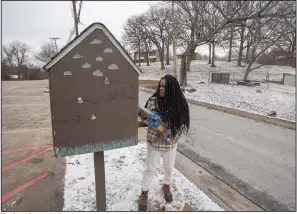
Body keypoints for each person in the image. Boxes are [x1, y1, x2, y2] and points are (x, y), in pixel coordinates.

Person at [138, 74, 190, 211]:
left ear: (172, 89)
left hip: (170, 145)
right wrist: (148, 118)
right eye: (160, 86)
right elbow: (145, 119)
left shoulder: (179, 105)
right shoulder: (153, 102)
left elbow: (181, 125)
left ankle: (166, 186)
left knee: (169, 168)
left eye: (164, 87)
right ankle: (144, 192)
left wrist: (170, 134)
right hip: (154, 144)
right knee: (150, 168)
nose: (160, 88)